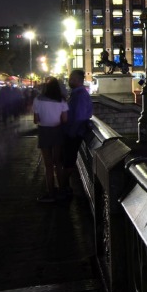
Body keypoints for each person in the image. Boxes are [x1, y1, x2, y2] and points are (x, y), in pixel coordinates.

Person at [32, 77, 69, 203]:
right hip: (57, 131)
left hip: (44, 132)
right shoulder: (62, 101)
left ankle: (51, 193)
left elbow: (36, 120)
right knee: (58, 162)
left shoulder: (37, 100)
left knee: (48, 165)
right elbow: (64, 119)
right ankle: (62, 190)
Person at [59, 69, 93, 200]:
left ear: (79, 80)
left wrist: (71, 133)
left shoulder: (79, 96)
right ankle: (65, 188)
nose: (69, 80)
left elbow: (79, 117)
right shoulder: (76, 94)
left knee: (68, 161)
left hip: (73, 134)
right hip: (73, 132)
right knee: (67, 160)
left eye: (72, 78)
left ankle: (63, 189)